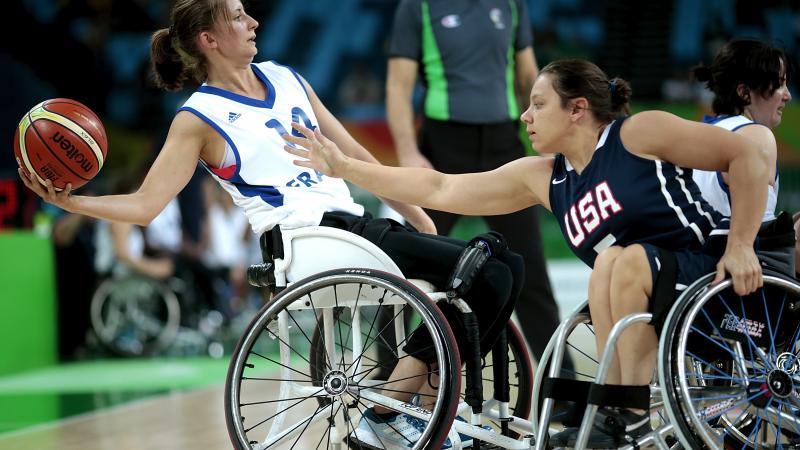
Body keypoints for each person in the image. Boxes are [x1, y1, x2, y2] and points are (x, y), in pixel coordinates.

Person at [17, 1, 523, 448]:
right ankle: (396, 409)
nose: (254, 21)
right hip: (310, 239)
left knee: (505, 263)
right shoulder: (199, 117)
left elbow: (355, 155)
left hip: (359, 227)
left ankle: (410, 404)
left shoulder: (287, 78)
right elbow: (147, 204)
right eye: (239, 16)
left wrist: (416, 212)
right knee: (490, 272)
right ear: (208, 40)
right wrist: (76, 204)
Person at [284, 58, 769, 447]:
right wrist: (346, 166)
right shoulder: (546, 177)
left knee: (623, 260)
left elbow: (745, 153)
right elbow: (440, 185)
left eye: (538, 104)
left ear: (577, 109)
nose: (525, 116)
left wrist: (743, 245)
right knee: (611, 265)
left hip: (711, 282)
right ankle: (614, 413)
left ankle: (627, 411)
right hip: (645, 294)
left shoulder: (636, 134)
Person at [386, 0, 565, 367]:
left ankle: (562, 389)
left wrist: (551, 133)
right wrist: (407, 152)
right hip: (441, 147)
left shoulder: (513, 5)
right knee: (400, 267)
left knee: (530, 272)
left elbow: (529, 78)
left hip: (504, 146)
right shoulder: (418, 7)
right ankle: (382, 380)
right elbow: (398, 85)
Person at [691, 39, 791, 223]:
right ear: (744, 92)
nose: (787, 95)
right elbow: (760, 233)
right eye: (779, 84)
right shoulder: (756, 136)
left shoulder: (697, 134)